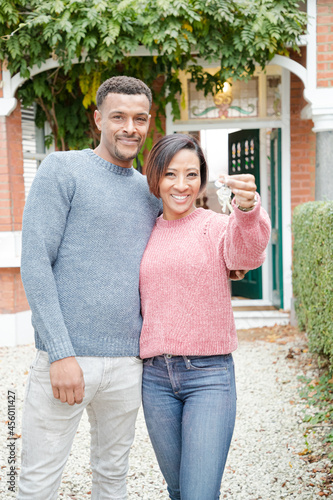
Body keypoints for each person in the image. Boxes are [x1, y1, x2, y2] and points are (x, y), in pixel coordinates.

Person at [18, 76, 162, 500]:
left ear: (148, 122)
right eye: (118, 116)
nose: (129, 127)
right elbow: (36, 262)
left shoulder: (149, 192)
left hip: (128, 364)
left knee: (113, 477)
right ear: (98, 118)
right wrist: (60, 352)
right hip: (66, 360)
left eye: (138, 118)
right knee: (39, 481)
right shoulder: (62, 169)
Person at [139, 134, 271, 500]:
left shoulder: (215, 226)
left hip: (209, 377)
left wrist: (246, 209)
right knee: (179, 489)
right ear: (155, 178)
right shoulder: (143, 230)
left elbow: (246, 256)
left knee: (198, 493)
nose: (181, 186)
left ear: (202, 179)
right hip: (154, 379)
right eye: (170, 174)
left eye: (191, 174)